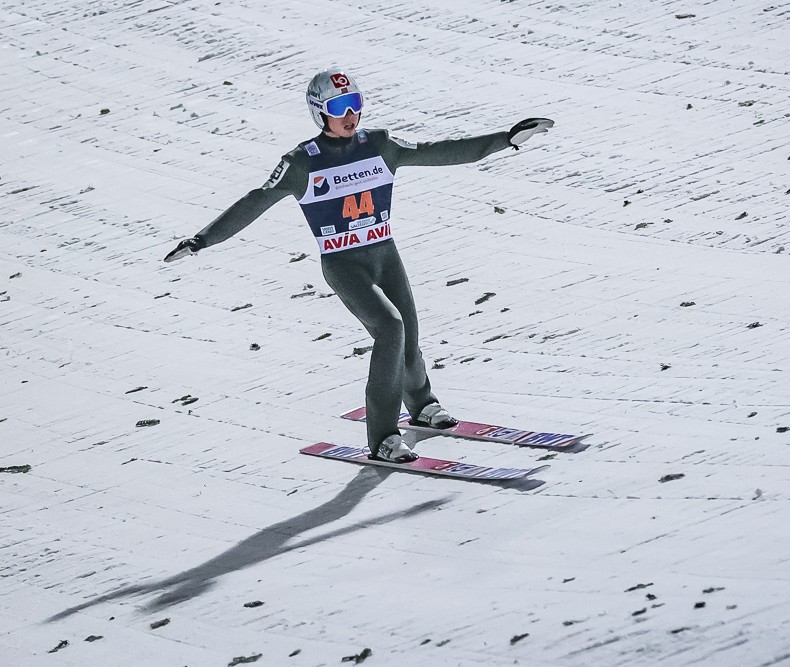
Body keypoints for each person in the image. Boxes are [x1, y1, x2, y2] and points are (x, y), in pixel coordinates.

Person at [164, 68, 554, 463]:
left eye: (355, 104)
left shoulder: (380, 144)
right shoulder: (301, 162)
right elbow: (255, 201)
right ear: (319, 112)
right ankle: (383, 437)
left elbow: (441, 151)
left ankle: (422, 405)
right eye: (339, 108)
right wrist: (202, 240)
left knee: (408, 336)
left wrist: (505, 140)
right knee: (390, 328)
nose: (350, 115)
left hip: (385, 254)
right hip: (343, 264)